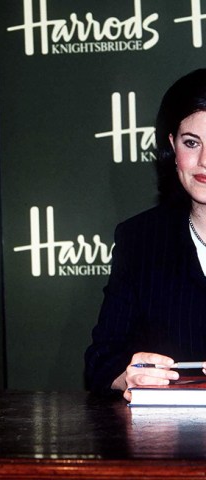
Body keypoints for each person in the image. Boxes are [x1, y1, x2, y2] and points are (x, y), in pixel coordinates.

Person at [85, 69, 206, 401]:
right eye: (192, 143)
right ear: (172, 147)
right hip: (169, 441)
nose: (204, 161)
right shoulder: (140, 239)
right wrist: (128, 377)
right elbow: (100, 360)